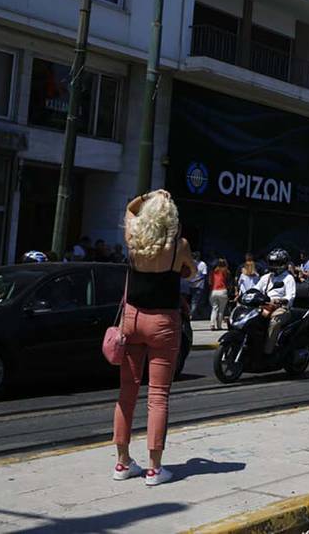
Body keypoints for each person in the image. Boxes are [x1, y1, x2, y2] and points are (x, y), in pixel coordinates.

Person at [114, 190, 196, 486]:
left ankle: (122, 463)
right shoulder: (179, 246)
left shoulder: (134, 238)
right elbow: (193, 273)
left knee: (127, 392)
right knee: (158, 396)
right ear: (172, 219)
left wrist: (149, 195)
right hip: (163, 321)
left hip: (132, 319)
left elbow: (129, 207)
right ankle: (154, 469)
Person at [256, 249, 296, 354]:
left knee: (274, 322)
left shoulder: (288, 278)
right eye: (271, 263)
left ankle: (268, 352)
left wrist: (280, 300)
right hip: (264, 306)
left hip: (281, 308)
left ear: (283, 263)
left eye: (276, 263)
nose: (273, 265)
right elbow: (255, 289)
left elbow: (290, 297)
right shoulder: (266, 277)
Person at [208, 258, 231, 331]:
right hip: (222, 291)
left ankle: (212, 324)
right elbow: (228, 282)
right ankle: (219, 325)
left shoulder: (213, 272)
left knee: (214, 308)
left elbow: (210, 282)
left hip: (214, 291)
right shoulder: (226, 272)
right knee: (221, 310)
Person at [190, 251, 208, 319]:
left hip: (190, 284)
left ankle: (195, 314)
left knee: (193, 301)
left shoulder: (191, 263)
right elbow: (204, 275)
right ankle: (191, 315)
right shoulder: (202, 264)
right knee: (196, 301)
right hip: (199, 285)